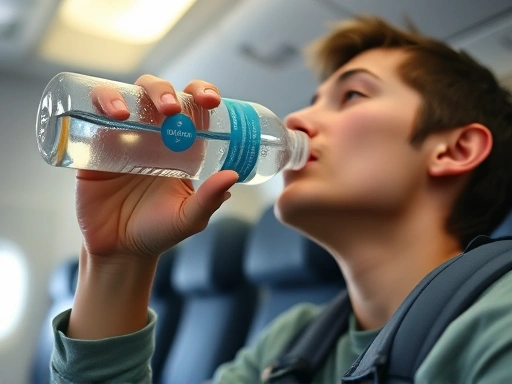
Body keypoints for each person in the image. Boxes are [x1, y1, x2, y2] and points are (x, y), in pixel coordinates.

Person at [50, 15, 512, 383]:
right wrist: (116, 261)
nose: (297, 118)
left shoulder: (498, 325)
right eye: (312, 99)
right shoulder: (295, 344)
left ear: (455, 150)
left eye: (352, 94)